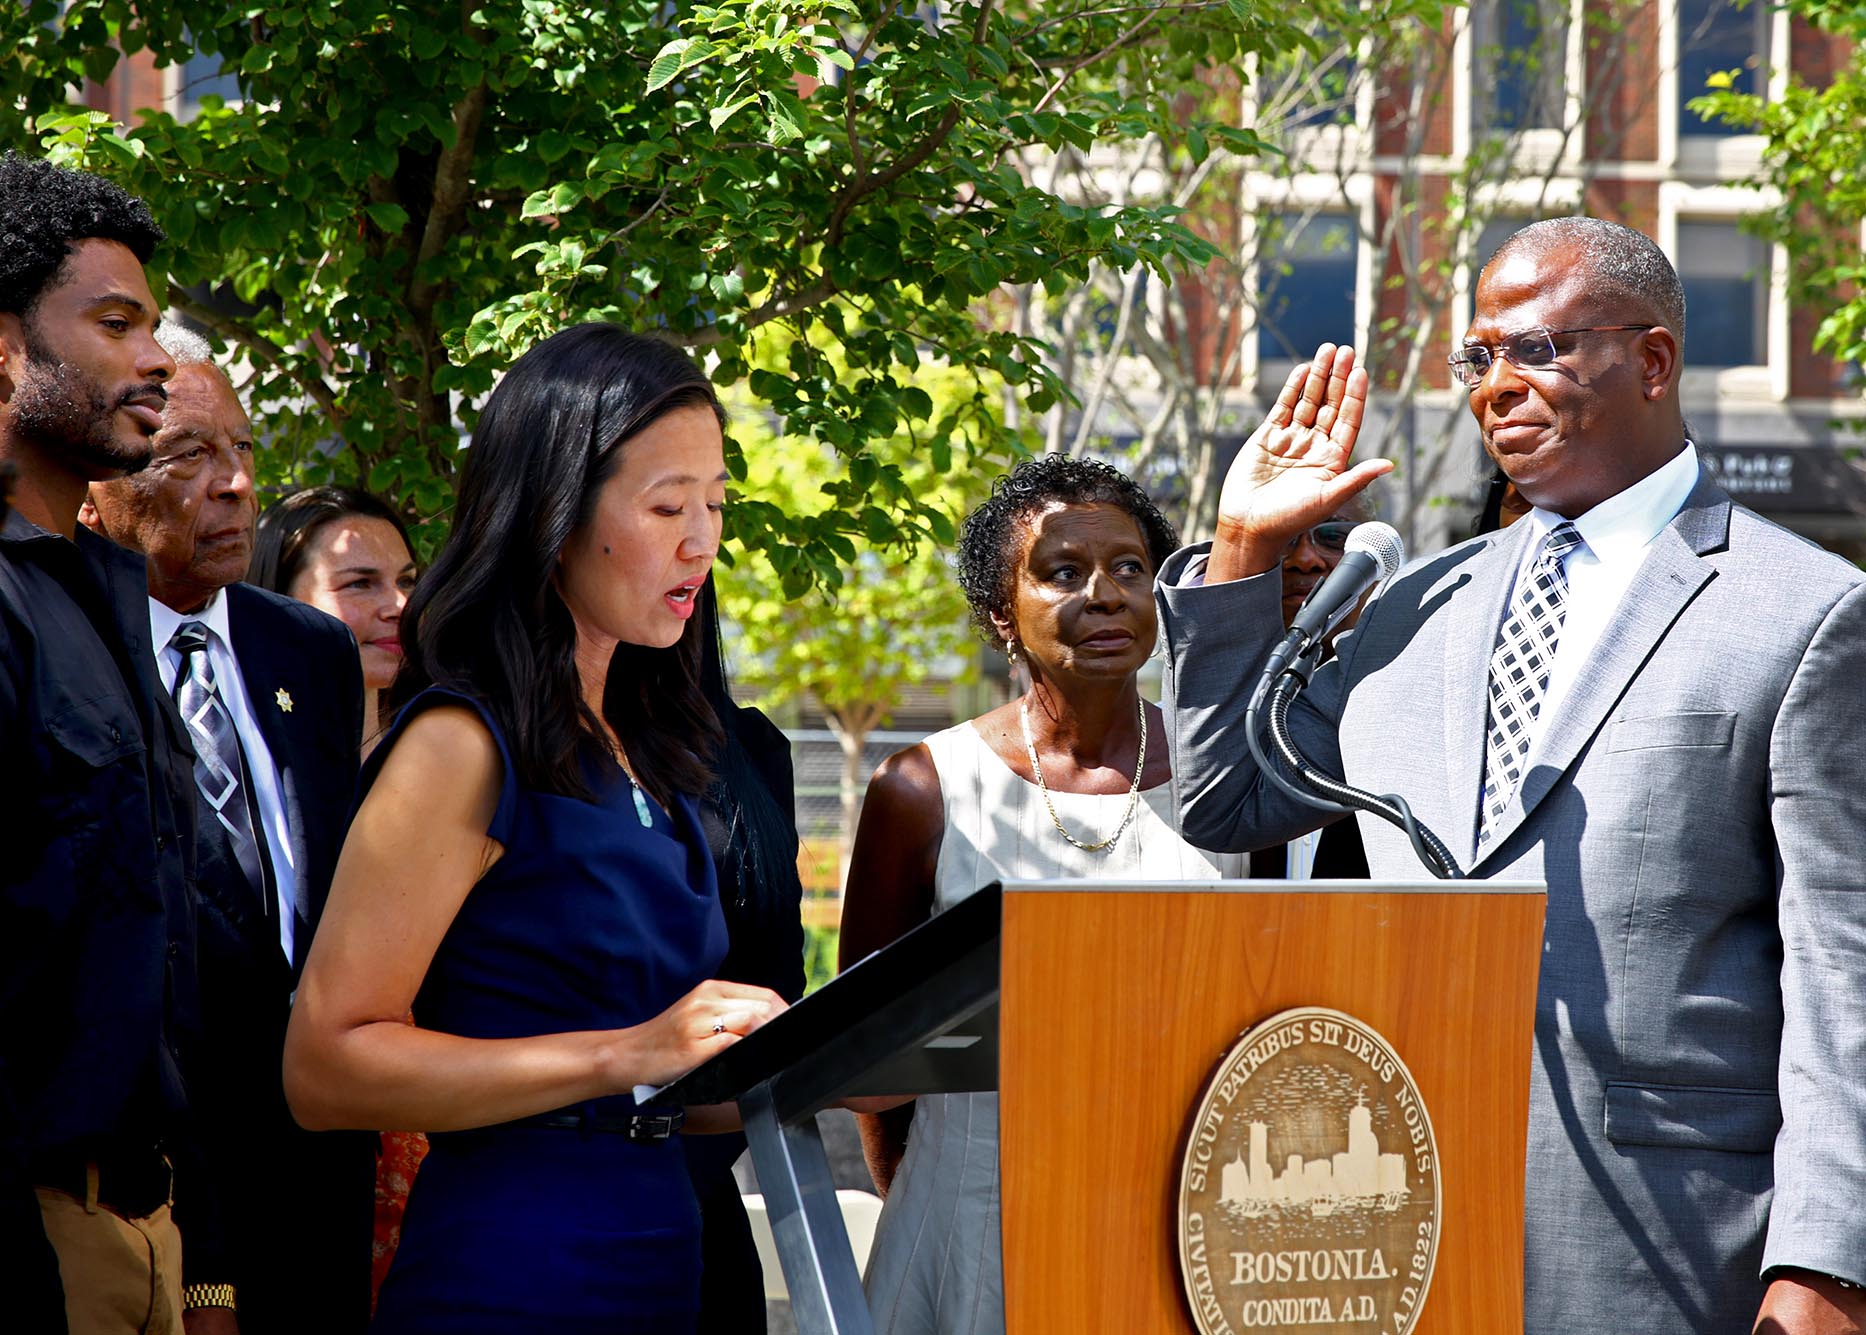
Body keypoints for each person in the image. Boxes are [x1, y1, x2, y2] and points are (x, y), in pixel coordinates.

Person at [1156, 217, 1866, 1334]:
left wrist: (1829, 1261)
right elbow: (1230, 796)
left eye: (1535, 350)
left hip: (1669, 1240)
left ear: (1653, 361)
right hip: (1392, 1219)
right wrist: (1241, 554)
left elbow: (1844, 968)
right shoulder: (1413, 604)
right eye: (1478, 359)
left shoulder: (1807, 613)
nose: (1496, 388)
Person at [281, 323, 787, 1333]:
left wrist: (824, 1067)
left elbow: (667, 1082)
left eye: (717, 506)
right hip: (512, 1272)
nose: (702, 541)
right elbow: (324, 1067)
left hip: (659, 1260)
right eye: (666, 506)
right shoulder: (462, 746)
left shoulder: (649, 745)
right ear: (554, 513)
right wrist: (625, 1053)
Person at [842, 454, 1245, 1335]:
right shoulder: (921, 788)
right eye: (1063, 571)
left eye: (1130, 569)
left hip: (1188, 1233)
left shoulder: (1230, 781)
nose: (1105, 595)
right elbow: (868, 1058)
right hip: (973, 1223)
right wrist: (946, 1199)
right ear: (1000, 614)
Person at [80, 325, 376, 1334]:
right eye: (190, 456)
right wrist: (204, 1269)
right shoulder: (71, 656)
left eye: (244, 452)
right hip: (156, 1203)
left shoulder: (312, 653)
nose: (238, 486)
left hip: (326, 1182)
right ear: (100, 488)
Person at [0, 151, 197, 1335]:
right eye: (116, 323)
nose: (157, 361)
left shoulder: (104, 598)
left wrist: (206, 1278)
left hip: (155, 1241)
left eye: (155, 328)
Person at [685, 573, 808, 1334]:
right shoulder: (505, 743)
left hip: (703, 1197)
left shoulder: (752, 749)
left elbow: (779, 986)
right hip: (546, 1195)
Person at [1250, 497, 1373, 880]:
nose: (1305, 559)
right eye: (1283, 538)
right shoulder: (1210, 713)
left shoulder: (1397, 710)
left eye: (1334, 537)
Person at [251, 486, 417, 758]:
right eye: (360, 583)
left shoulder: (447, 749)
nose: (402, 605)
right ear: (277, 597)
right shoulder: (245, 762)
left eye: (406, 581)